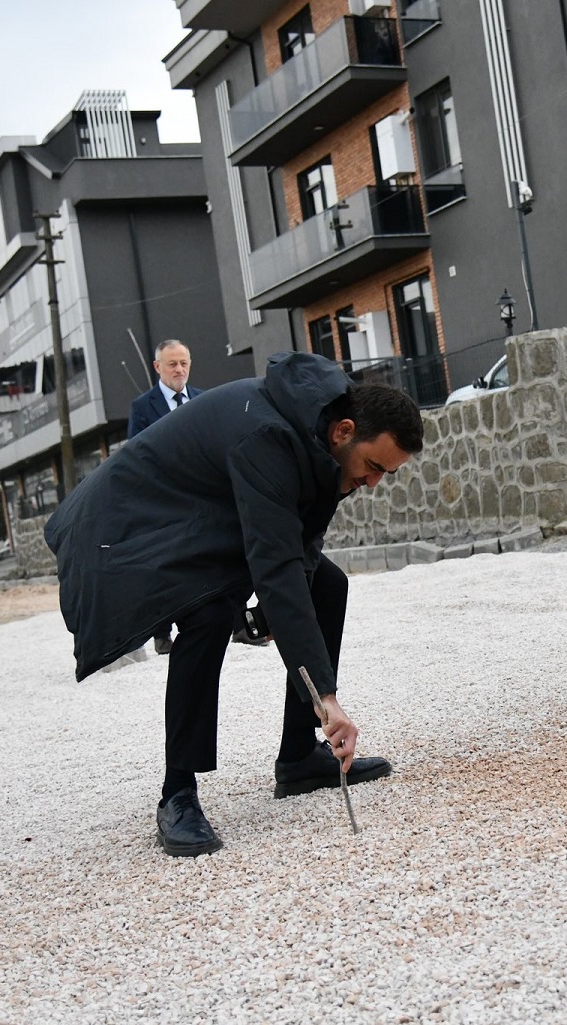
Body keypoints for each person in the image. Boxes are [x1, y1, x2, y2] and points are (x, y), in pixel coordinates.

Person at [45, 351, 424, 857]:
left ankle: (297, 759)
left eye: (387, 474)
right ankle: (177, 795)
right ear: (344, 430)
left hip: (201, 509)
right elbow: (276, 567)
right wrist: (325, 696)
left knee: (327, 585)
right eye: (375, 467)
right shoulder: (268, 437)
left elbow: (300, 546)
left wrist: (278, 624)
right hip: (128, 524)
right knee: (207, 613)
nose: (374, 482)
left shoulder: (323, 436)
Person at [127, 339, 204, 654]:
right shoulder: (142, 407)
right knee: (164, 566)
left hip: (200, 497)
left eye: (184, 363)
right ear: (157, 367)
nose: (180, 370)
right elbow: (136, 455)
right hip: (162, 501)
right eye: (172, 364)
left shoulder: (202, 399)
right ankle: (162, 632)